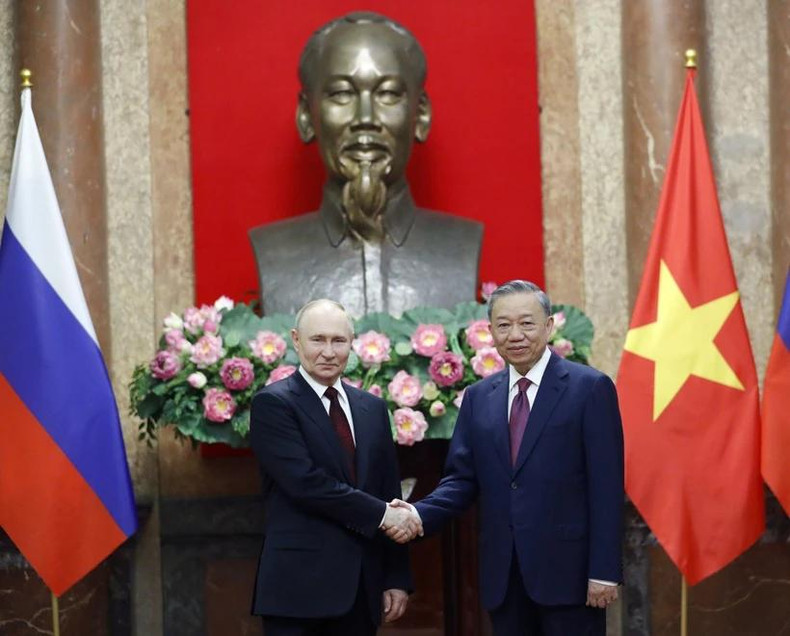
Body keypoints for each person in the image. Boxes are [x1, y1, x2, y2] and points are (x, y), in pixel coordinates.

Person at [390, 280, 624, 635]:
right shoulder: (479, 396)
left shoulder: (589, 388)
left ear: (548, 326)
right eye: (503, 325)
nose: (515, 335)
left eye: (527, 323)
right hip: (504, 578)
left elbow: (606, 487)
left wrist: (604, 571)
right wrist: (418, 514)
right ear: (491, 332)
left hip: (572, 577)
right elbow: (462, 479)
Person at [249, 11, 483, 317]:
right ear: (306, 116)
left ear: (421, 114)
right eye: (341, 94)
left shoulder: (461, 246)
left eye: (388, 94)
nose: (365, 118)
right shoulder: (274, 252)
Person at [249, 299, 422, 635]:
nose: (328, 352)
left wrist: (396, 577)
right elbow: (305, 484)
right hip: (298, 589)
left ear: (352, 343)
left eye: (338, 341)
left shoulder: (372, 408)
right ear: (296, 340)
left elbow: (388, 490)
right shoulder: (273, 403)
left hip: (362, 587)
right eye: (318, 340)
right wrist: (384, 515)